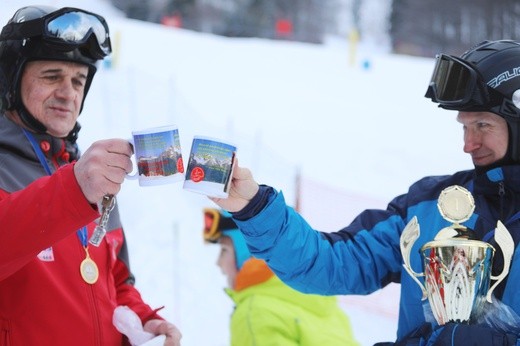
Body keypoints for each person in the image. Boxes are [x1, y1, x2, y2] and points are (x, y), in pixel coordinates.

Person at [211, 39, 520, 345]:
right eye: (464, 127)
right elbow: (329, 264)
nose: (468, 144)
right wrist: (254, 208)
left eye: (482, 125)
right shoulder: (428, 206)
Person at [0, 6, 181, 345]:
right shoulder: (77, 180)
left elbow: (115, 280)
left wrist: (141, 319)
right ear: (11, 81)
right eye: (52, 76)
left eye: (78, 80)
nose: (68, 93)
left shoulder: (86, 173)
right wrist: (75, 189)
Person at [202, 208, 359, 345]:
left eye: (224, 251)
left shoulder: (256, 314)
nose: (218, 263)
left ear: (250, 255)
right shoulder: (316, 296)